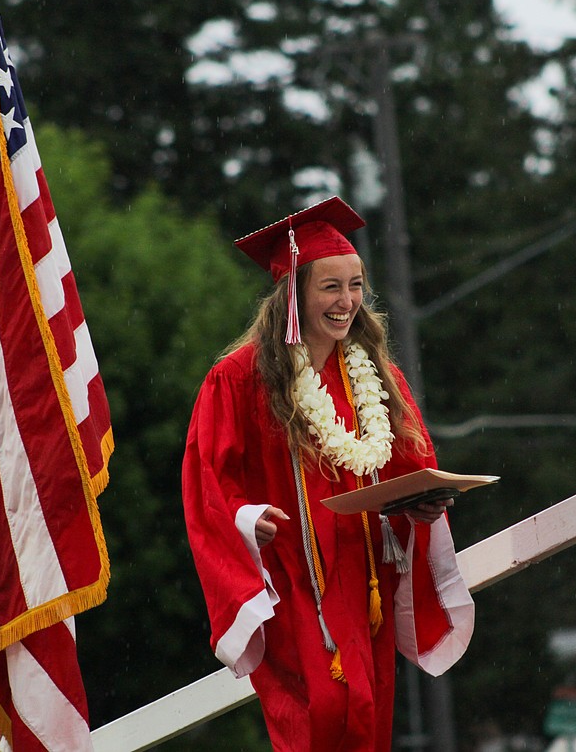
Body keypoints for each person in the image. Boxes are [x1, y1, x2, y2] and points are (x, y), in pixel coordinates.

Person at [182, 196, 474, 750]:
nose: (347, 303)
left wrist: (427, 499)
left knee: (369, 710)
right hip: (296, 574)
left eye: (356, 285)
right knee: (324, 710)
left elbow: (412, 459)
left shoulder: (372, 373)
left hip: (366, 575)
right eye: (330, 287)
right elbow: (208, 478)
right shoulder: (240, 377)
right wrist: (245, 518)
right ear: (294, 293)